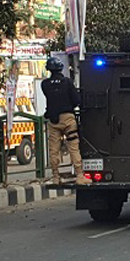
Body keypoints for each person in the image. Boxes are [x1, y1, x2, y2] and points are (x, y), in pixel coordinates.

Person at [42, 57, 91, 185]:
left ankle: (55, 177)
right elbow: (76, 100)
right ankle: (80, 175)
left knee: (54, 149)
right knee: (73, 147)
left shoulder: (45, 84)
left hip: (53, 121)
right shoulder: (67, 82)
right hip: (68, 119)